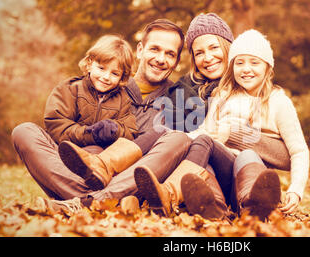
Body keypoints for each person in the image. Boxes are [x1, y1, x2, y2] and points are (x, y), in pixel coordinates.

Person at [11, 20, 191, 215]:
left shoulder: (178, 100)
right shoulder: (105, 83)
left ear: (177, 60)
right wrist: (88, 135)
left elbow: (162, 160)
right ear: (140, 50)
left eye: (170, 54)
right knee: (24, 131)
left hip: (127, 182)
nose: (161, 59)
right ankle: (93, 201)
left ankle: (86, 201)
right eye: (155, 49)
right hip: (79, 171)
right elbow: (60, 130)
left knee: (178, 139)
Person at [134, 29, 309, 221]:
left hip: (250, 175)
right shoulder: (223, 95)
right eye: (239, 63)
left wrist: (296, 189)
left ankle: (253, 205)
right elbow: (205, 132)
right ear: (231, 66)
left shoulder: (278, 102)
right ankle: (213, 207)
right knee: (204, 148)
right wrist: (177, 138)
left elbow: (299, 150)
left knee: (247, 154)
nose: (246, 69)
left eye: (254, 62)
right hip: (224, 172)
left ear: (268, 67)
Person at [163, 13, 234, 132]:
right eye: (199, 53)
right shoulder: (180, 91)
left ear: (228, 47)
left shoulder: (248, 85)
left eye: (214, 47)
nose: (208, 58)